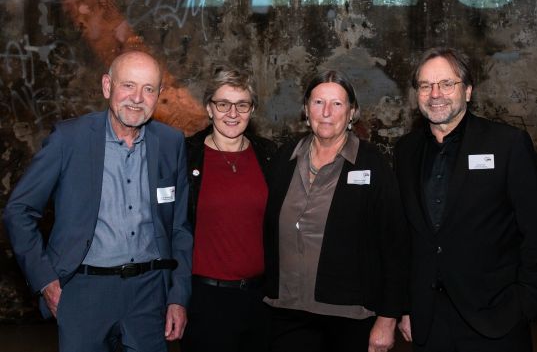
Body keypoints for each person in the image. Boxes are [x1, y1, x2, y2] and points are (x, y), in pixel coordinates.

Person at [3, 50, 193, 352]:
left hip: (149, 294)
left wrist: (178, 296)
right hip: (83, 293)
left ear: (159, 95)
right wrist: (46, 281)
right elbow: (18, 211)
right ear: (107, 86)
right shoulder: (69, 140)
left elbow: (180, 228)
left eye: (148, 89)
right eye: (128, 85)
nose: (137, 98)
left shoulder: (171, 143)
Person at [394, 47, 537, 352]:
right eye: (426, 85)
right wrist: (405, 306)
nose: (435, 94)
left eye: (446, 83)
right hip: (428, 322)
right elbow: (405, 238)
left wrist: (527, 303)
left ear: (467, 91)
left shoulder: (507, 144)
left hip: (496, 319)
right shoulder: (405, 151)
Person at [263, 70, 408, 352]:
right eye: (318, 103)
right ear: (306, 110)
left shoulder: (372, 164)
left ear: (352, 112)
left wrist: (388, 318)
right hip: (287, 311)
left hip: (350, 316)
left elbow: (395, 245)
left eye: (337, 104)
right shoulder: (284, 158)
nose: (326, 112)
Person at [181, 66, 276, 352]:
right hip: (205, 300)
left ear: (252, 110)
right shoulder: (186, 156)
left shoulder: (269, 155)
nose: (232, 113)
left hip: (261, 299)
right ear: (209, 108)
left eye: (242, 104)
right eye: (223, 104)